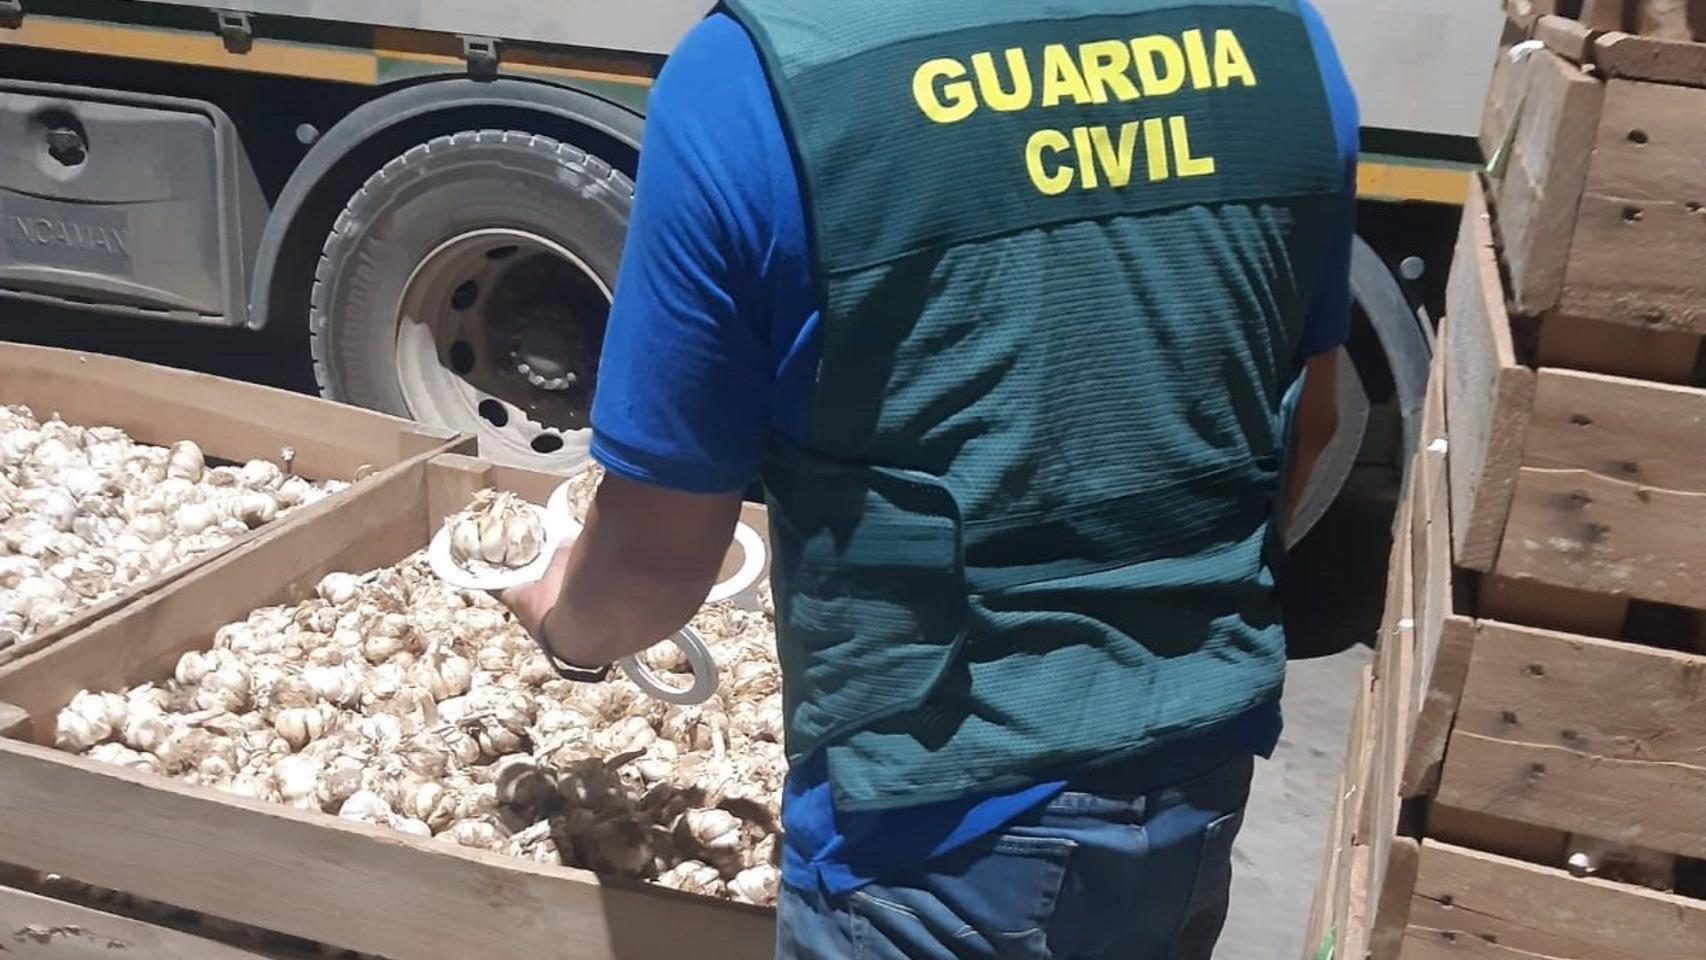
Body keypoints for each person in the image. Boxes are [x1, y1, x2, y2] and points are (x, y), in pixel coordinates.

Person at [497, 1, 1358, 956]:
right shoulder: (1281, 36)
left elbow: (653, 563)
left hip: (935, 836)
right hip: (1198, 779)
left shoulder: (753, 80)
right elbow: (1307, 426)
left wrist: (564, 625)